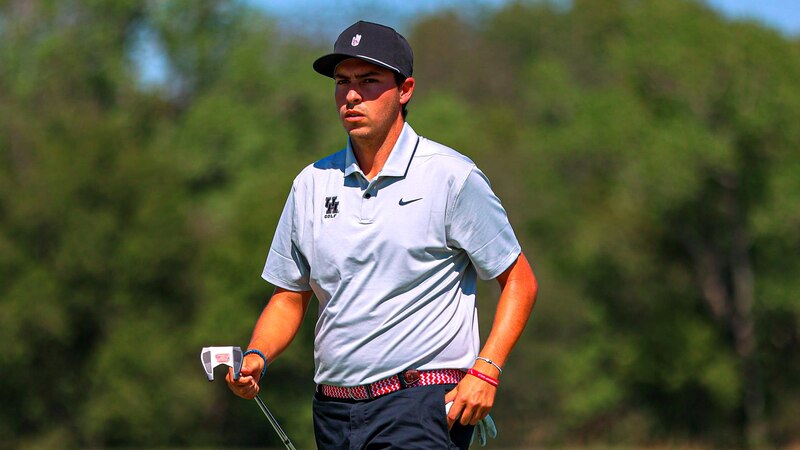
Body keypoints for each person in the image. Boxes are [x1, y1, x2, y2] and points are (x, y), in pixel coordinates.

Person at [226, 20, 538, 449]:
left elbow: (519, 281)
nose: (351, 95)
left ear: (405, 90)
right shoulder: (311, 183)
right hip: (333, 412)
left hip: (421, 404)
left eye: (368, 81)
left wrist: (486, 370)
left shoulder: (451, 176)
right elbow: (289, 295)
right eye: (342, 82)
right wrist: (258, 355)